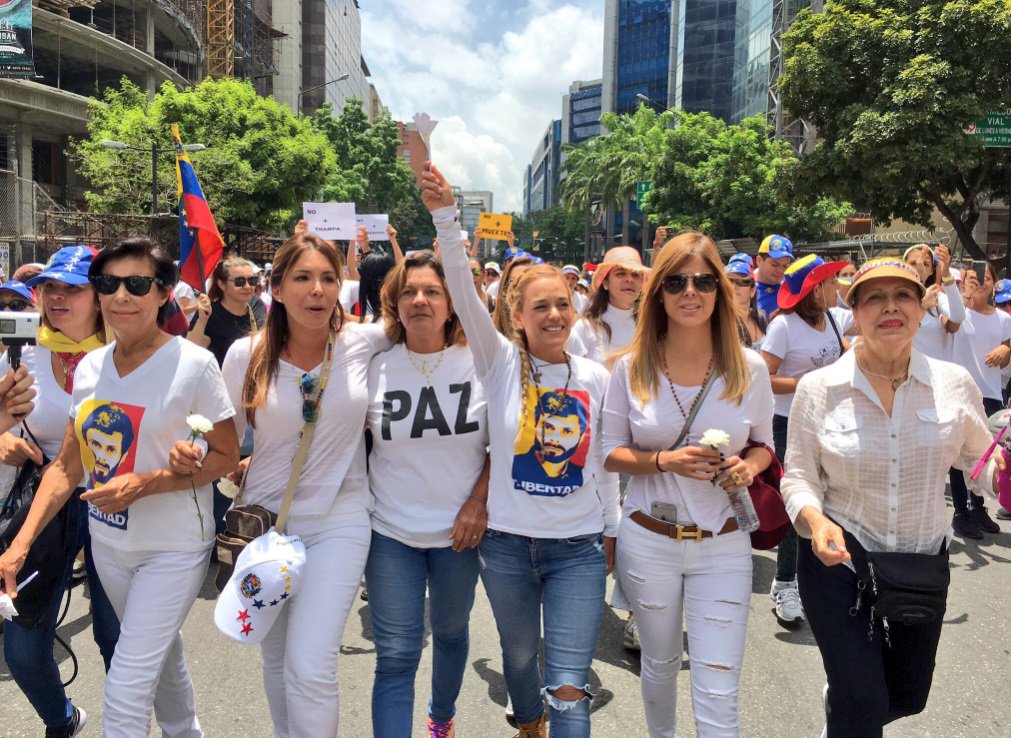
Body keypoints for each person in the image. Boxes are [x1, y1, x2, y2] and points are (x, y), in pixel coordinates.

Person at [0, 237, 239, 737]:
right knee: (163, 663)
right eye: (109, 284)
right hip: (110, 546)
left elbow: (225, 456)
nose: (121, 296)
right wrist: (19, 546)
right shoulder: (89, 368)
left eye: (137, 284)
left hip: (172, 546)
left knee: (127, 688)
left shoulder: (194, 364)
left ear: (163, 293)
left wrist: (150, 482)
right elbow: (66, 467)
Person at [427, 162, 617, 738]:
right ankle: (528, 722)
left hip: (578, 550)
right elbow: (460, 287)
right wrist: (443, 216)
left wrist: (611, 534)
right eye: (540, 307)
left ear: (576, 307)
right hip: (507, 548)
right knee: (519, 660)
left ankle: (551, 718)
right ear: (517, 316)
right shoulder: (500, 361)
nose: (554, 315)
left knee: (569, 683)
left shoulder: (596, 377)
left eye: (563, 304)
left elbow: (605, 464)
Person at [782, 257, 1006, 738]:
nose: (890, 307)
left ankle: (843, 702)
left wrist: (999, 474)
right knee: (863, 701)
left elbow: (978, 461)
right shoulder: (819, 389)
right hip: (839, 560)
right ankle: (849, 702)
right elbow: (797, 477)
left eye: (903, 295)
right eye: (874, 298)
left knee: (906, 696)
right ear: (854, 312)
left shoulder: (953, 384)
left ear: (921, 308)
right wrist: (816, 522)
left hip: (919, 563)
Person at [603, 231, 775, 737]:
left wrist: (750, 467)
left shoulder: (750, 369)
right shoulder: (631, 367)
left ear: (720, 290)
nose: (690, 292)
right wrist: (664, 460)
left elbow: (765, 445)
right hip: (648, 538)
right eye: (675, 281)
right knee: (658, 665)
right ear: (658, 292)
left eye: (703, 280)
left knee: (719, 684)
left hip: (724, 543)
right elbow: (610, 454)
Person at [220, 231, 391, 736]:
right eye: (302, 278)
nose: (317, 290)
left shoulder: (365, 342)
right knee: (276, 659)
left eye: (327, 278)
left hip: (341, 520)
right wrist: (220, 459)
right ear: (275, 288)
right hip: (266, 526)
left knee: (311, 665)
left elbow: (434, 315)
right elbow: (222, 437)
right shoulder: (246, 355)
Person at [364, 250, 490, 738]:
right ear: (394, 302)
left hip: (461, 534)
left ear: (453, 303)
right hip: (389, 531)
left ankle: (441, 718)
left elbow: (505, 439)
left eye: (432, 291)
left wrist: (478, 501)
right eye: (409, 291)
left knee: (453, 633)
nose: (420, 300)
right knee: (395, 653)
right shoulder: (373, 364)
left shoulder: (482, 360)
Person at [0, 247, 120, 738]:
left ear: (100, 296)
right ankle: (62, 720)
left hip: (118, 503)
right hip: (42, 501)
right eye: (52, 286)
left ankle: (127, 725)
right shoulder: (17, 351)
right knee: (23, 646)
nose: (58, 296)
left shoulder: (130, 351)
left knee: (116, 636)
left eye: (74, 287)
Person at [760, 254, 847, 626]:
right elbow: (762, 377)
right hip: (788, 423)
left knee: (828, 501)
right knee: (797, 501)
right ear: (813, 290)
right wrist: (807, 383)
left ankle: (818, 583)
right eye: (830, 283)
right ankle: (784, 583)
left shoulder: (834, 319)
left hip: (830, 422)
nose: (837, 288)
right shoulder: (784, 327)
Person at [946, 260, 1010, 538]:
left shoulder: (1004, 319)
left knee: (986, 454)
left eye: (984, 276)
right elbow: (949, 325)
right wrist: (963, 297)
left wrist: (1007, 347)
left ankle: (979, 507)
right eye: (972, 277)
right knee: (959, 456)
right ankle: (961, 512)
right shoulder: (958, 314)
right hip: (959, 393)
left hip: (991, 394)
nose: (979, 280)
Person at [570, 246, 649, 367]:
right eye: (621, 274)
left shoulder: (652, 326)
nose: (629, 280)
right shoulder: (586, 327)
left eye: (635, 275)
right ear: (605, 282)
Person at [187, 256, 267, 367]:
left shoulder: (257, 305)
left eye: (252, 280)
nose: (247, 286)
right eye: (240, 281)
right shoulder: (209, 313)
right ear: (221, 284)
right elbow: (192, 349)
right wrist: (202, 320)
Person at [909, 245, 963, 362]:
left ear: (931, 272)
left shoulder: (936, 296)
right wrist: (921, 304)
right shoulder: (894, 297)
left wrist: (947, 275)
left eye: (925, 264)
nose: (919, 267)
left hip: (934, 375)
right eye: (913, 263)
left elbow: (958, 317)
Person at [725, 258, 767, 349]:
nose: (733, 286)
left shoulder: (760, 317)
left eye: (741, 281)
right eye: (728, 281)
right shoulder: (721, 321)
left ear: (752, 291)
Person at [754, 234, 794, 319]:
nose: (780, 270)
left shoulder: (792, 288)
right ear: (759, 261)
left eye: (785, 266)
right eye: (774, 264)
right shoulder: (743, 287)